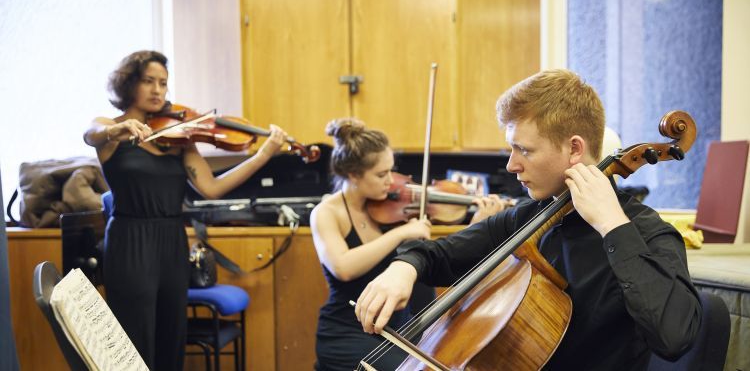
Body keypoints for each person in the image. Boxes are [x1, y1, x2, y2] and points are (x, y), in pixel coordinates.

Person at [355, 69, 702, 370]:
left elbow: (674, 337)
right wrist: (403, 269)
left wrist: (613, 226)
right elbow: (439, 255)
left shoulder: (646, 233)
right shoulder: (527, 219)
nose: (511, 165)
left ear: (574, 149)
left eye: (524, 149)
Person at [83, 50, 287, 370]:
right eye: (148, 81)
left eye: (163, 83)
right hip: (129, 239)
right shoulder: (111, 131)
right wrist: (118, 130)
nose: (157, 90)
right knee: (133, 338)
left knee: (171, 335)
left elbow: (212, 188)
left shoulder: (178, 138)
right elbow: (90, 133)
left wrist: (263, 155)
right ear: (128, 84)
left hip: (171, 239)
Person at [311, 118, 510, 370]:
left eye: (392, 171)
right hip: (349, 331)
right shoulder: (327, 212)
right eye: (381, 174)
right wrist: (401, 233)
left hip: (400, 330)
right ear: (354, 175)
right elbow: (343, 267)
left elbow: (435, 257)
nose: (390, 181)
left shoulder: (395, 206)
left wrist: (477, 226)